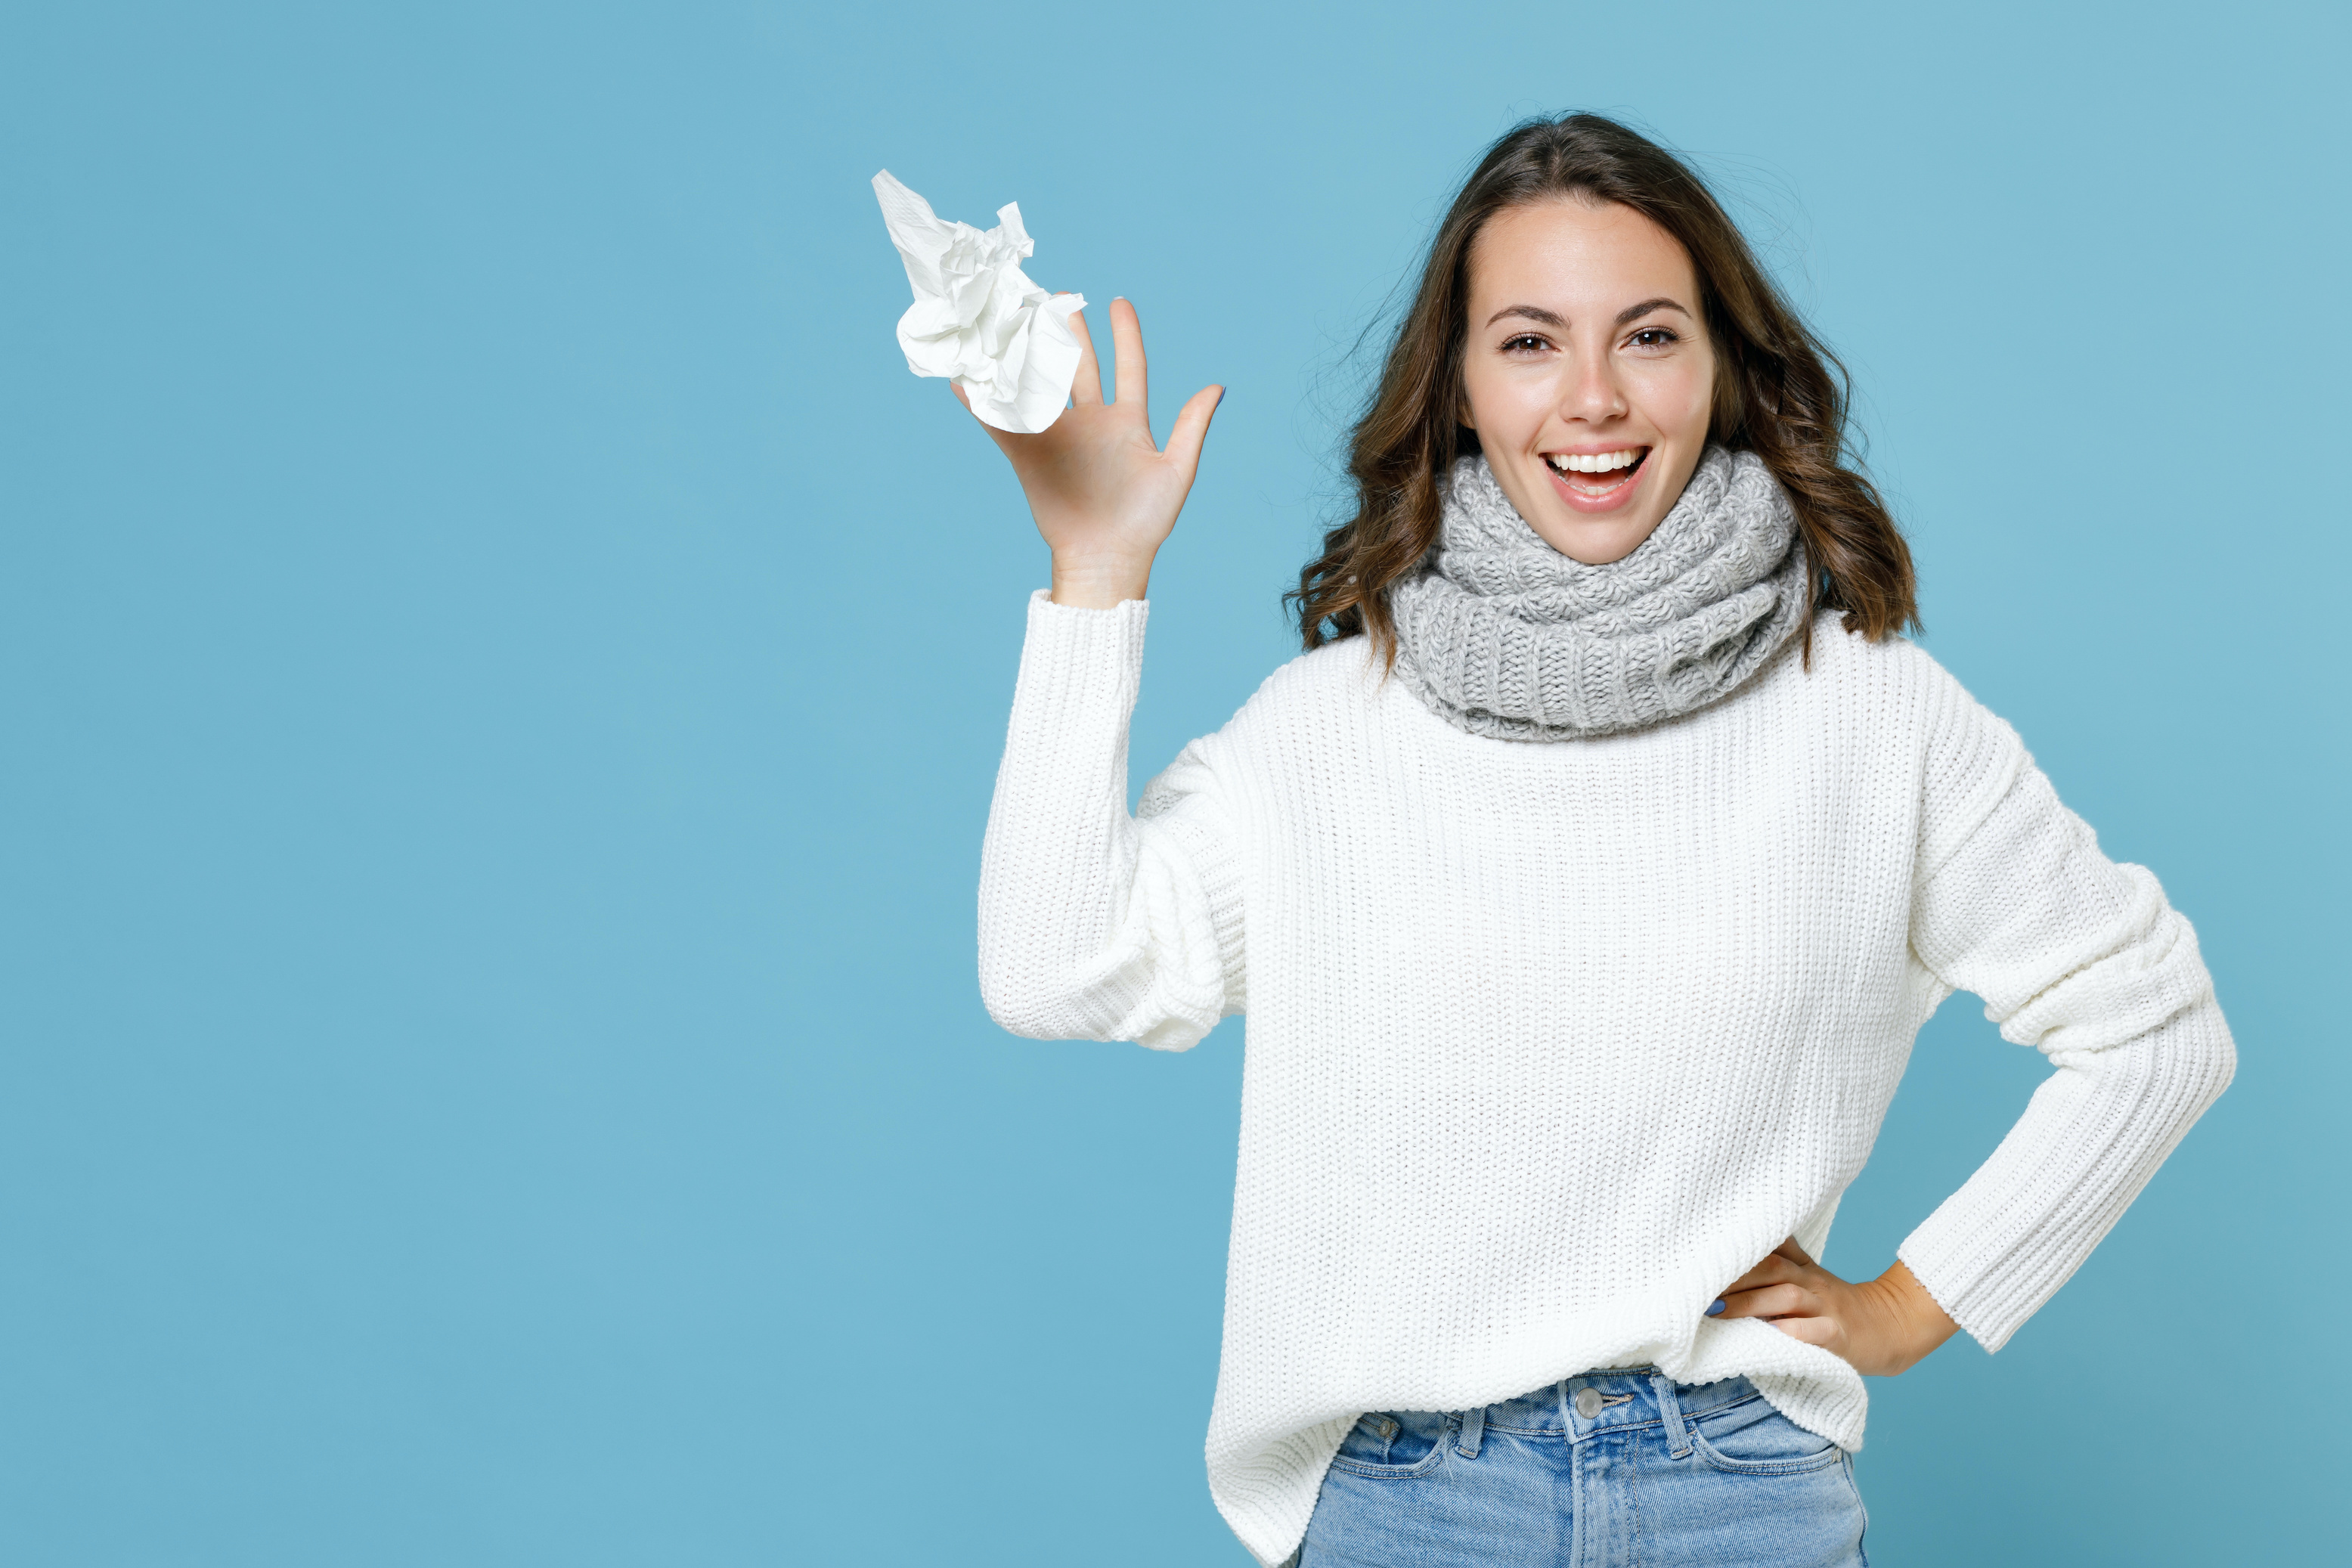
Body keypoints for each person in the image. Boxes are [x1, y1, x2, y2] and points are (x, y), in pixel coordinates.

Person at [963, 113, 2233, 1568]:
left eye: (1646, 336)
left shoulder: (1874, 717)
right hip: (1404, 1501)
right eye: (1526, 342)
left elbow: (2157, 1029)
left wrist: (1914, 1301)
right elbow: (1058, 969)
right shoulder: (1326, 730)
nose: (1594, 399)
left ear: (1719, 368)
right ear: (1455, 387)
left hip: (1740, 1489)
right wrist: (1096, 570)